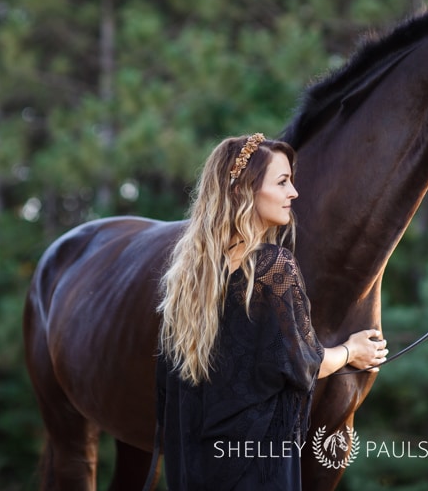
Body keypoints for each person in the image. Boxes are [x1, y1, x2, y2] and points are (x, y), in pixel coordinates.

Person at [156, 133, 388, 490]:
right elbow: (304, 362)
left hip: (197, 469)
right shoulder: (272, 267)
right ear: (245, 191)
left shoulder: (187, 277)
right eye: (282, 182)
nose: (293, 193)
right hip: (254, 468)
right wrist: (352, 351)